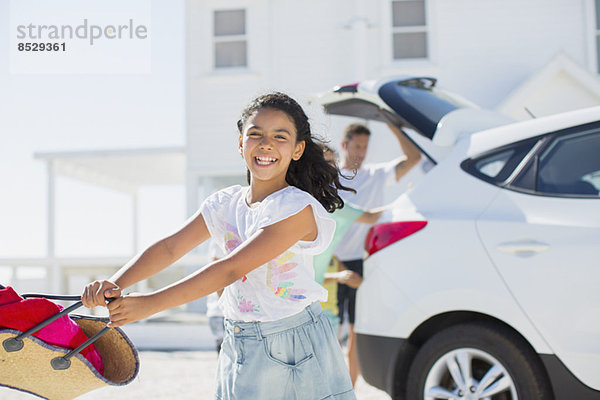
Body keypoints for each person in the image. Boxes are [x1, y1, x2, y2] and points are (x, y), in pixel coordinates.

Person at [81, 92, 357, 399]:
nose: (266, 144)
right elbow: (170, 248)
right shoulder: (224, 203)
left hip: (295, 343)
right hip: (238, 340)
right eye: (255, 134)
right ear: (241, 144)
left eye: (280, 136)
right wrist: (114, 283)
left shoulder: (295, 207)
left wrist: (151, 303)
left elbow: (231, 269)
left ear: (297, 149)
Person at [335, 122, 421, 386]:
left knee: (355, 333)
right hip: (333, 261)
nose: (361, 152)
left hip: (363, 263)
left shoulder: (376, 174)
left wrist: (394, 127)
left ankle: (348, 391)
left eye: (365, 147)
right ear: (344, 145)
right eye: (357, 146)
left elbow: (414, 158)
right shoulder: (330, 177)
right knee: (332, 334)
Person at [313, 145, 383, 335]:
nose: (329, 168)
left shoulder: (333, 204)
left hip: (317, 305)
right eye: (323, 162)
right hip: (296, 300)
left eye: (330, 163)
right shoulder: (297, 199)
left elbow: (371, 217)